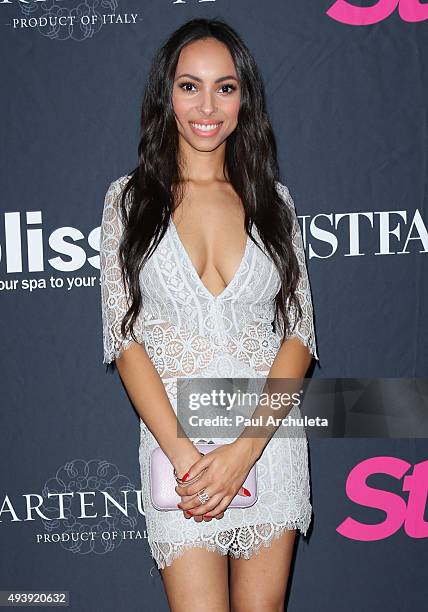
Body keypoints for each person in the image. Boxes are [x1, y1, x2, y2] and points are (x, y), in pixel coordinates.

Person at [100, 17, 319, 612]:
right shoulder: (129, 201)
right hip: (180, 454)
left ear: (244, 99)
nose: (207, 105)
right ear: (165, 95)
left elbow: (298, 337)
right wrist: (188, 460)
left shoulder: (273, 202)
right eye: (189, 85)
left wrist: (244, 451)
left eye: (225, 87)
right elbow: (125, 341)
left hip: (266, 443)